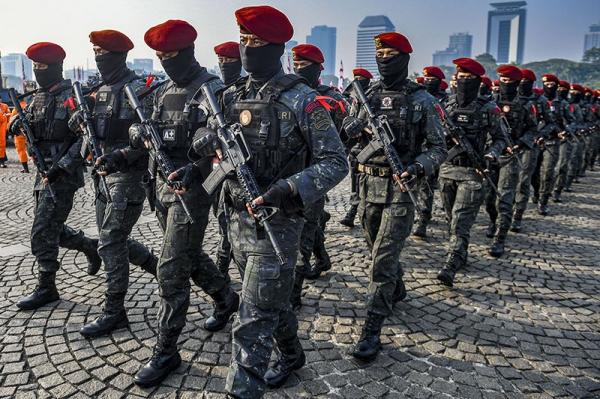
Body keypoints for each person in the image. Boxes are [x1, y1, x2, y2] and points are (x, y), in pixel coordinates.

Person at [189, 6, 347, 397]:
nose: (246, 49)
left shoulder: (302, 100)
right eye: (243, 41)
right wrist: (205, 144)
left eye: (255, 43)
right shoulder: (228, 96)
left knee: (252, 318)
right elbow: (202, 144)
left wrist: (289, 188)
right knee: (269, 302)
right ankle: (292, 354)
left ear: (276, 48)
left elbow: (335, 162)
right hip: (235, 217)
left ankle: (242, 389)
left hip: (277, 221)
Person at [99, 20, 238, 387]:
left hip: (192, 191)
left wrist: (195, 170)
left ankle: (166, 349)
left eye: (170, 56)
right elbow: (147, 141)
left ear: (188, 52)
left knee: (171, 267)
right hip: (160, 188)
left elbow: (227, 152)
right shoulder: (161, 92)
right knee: (187, 254)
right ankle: (225, 297)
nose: (165, 63)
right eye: (159, 57)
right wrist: (123, 154)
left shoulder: (213, 91)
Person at [341, 32, 447, 361]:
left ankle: (371, 329)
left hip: (402, 188)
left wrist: (416, 167)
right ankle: (397, 287)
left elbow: (438, 147)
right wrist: (356, 126)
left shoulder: (422, 100)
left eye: (390, 53)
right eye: (380, 53)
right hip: (368, 185)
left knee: (382, 261)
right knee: (376, 249)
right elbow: (346, 130)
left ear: (404, 58)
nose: (384, 58)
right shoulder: (365, 94)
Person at [69, 29, 159, 338]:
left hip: (128, 177)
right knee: (114, 240)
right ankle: (158, 267)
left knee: (109, 240)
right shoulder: (99, 90)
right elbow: (79, 126)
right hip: (101, 174)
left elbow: (150, 138)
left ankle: (115, 310)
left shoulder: (139, 91)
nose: (98, 59)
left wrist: (122, 155)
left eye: (103, 54)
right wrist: (80, 117)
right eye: (95, 53)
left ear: (118, 55)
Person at [10, 42, 101, 310]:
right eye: (35, 67)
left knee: (41, 231)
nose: (38, 72)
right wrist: (18, 121)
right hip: (42, 173)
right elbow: (23, 122)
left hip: (63, 174)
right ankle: (88, 246)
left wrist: (62, 166)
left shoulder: (72, 96)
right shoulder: (37, 97)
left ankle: (46, 286)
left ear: (56, 67)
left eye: (43, 67)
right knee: (53, 230)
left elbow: (84, 138)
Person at [437, 58, 506, 287]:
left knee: (460, 220)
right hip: (447, 169)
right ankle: (460, 250)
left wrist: (490, 155)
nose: (462, 82)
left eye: (468, 78)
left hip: (472, 172)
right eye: (460, 78)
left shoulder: (488, 108)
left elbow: (500, 139)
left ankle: (452, 262)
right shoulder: (447, 105)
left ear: (477, 81)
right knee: (450, 218)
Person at [289, 43, 348, 298]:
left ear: (318, 68)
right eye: (296, 65)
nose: (298, 70)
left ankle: (294, 292)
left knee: (302, 234)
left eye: (304, 65)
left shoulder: (332, 98)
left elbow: (343, 134)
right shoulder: (288, 94)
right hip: (290, 172)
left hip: (316, 174)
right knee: (308, 227)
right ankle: (322, 258)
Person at [488, 65, 537, 257]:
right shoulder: (490, 102)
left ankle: (500, 238)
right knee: (488, 198)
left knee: (505, 198)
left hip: (510, 156)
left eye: (508, 81)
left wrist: (520, 144)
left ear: (517, 83)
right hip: (492, 156)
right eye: (502, 79)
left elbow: (532, 129)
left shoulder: (526, 104)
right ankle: (493, 221)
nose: (504, 83)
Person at [212, 40, 244, 283]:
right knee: (223, 221)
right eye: (221, 61)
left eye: (229, 61)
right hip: (219, 170)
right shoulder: (218, 94)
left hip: (241, 172)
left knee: (230, 228)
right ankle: (221, 269)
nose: (224, 65)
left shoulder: (245, 92)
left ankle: (221, 268)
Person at [413, 65, 447, 239]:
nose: (428, 82)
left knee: (427, 185)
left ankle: (423, 218)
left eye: (432, 80)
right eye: (426, 79)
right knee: (416, 183)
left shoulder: (447, 101)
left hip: (435, 149)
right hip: (419, 147)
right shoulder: (419, 98)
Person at [340, 67, 373, 228]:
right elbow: (350, 118)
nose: (358, 81)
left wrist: (365, 127)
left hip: (372, 147)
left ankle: (364, 211)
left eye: (361, 79)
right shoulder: (355, 100)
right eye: (356, 78)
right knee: (355, 181)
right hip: (357, 148)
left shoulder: (373, 97)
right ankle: (353, 209)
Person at [552, 80, 578, 202]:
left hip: (562, 138)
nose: (560, 91)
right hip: (545, 138)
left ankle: (557, 190)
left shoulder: (565, 104)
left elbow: (573, 121)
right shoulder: (544, 101)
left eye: (564, 89)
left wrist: (567, 131)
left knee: (561, 165)